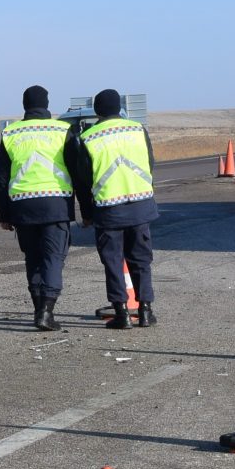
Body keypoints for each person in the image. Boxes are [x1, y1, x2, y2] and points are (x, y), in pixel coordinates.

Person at [68, 89, 156, 331]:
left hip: (108, 210)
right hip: (140, 206)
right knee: (141, 260)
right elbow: (150, 164)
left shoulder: (89, 138)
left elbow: (83, 182)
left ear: (97, 111)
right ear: (119, 108)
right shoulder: (138, 130)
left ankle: (122, 313)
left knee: (113, 262)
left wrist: (86, 214)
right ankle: (146, 310)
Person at [0, 86, 77, 331]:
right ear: (47, 104)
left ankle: (38, 308)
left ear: (24, 105)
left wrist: (3, 213)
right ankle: (46, 312)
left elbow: (0, 178)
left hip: (23, 206)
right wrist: (85, 207)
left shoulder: (11, 133)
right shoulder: (62, 130)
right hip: (56, 205)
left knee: (33, 259)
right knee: (53, 258)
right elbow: (77, 171)